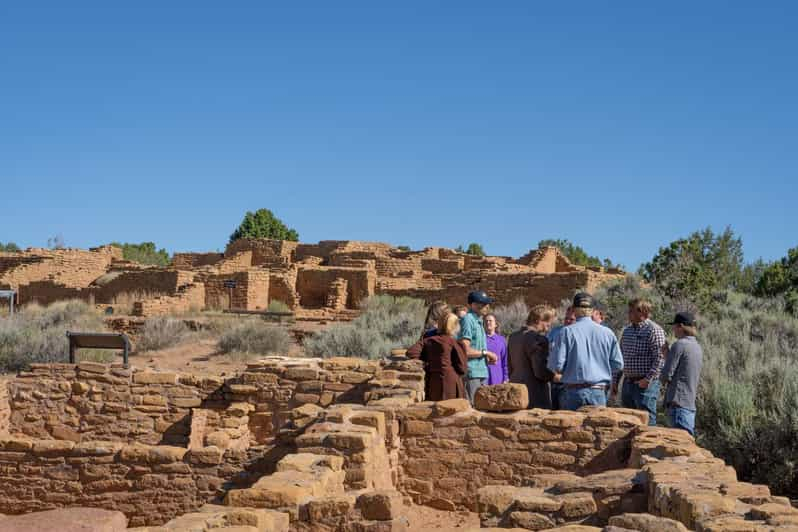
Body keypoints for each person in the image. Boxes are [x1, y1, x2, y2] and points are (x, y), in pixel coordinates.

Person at [549, 292, 623, 410]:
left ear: (574, 309)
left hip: (573, 392)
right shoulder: (607, 333)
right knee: (597, 427)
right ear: (593, 310)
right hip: (598, 392)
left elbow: (557, 365)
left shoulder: (566, 332)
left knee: (572, 428)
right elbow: (618, 365)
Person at [614, 298, 668, 426]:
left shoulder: (654, 330)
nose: (628, 314)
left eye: (631, 311)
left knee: (647, 420)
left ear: (642, 313)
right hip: (628, 383)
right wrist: (615, 381)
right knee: (627, 421)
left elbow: (660, 358)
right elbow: (621, 358)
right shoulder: (627, 331)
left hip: (645, 385)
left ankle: (648, 445)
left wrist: (648, 379)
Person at [406, 312, 469, 401]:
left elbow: (411, 352)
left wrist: (426, 363)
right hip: (451, 382)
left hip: (433, 380)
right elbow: (462, 368)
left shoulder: (428, 341)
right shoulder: (454, 343)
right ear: (455, 326)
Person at [661, 312, 703, 435]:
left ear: (680, 326)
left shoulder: (679, 345)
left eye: (674, 326)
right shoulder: (696, 346)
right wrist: (667, 356)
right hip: (689, 405)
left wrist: (667, 359)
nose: (673, 329)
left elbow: (666, 375)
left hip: (677, 405)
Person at [508, 304, 556, 408]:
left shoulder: (513, 337)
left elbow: (510, 367)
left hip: (516, 390)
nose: (548, 328)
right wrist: (555, 376)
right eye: (548, 324)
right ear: (539, 320)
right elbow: (540, 371)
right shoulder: (538, 339)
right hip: (535, 393)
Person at [457, 290, 498, 403]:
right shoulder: (468, 320)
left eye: (487, 304)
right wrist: (486, 353)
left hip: (481, 372)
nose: (487, 306)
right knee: (473, 409)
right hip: (472, 373)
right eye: (483, 304)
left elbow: (475, 348)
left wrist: (485, 358)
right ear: (473, 305)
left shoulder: (478, 321)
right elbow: (465, 350)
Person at [547, 305, 575, 409]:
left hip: (571, 383)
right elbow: (547, 350)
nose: (567, 321)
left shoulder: (579, 334)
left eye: (571, 319)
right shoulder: (555, 331)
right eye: (566, 318)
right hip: (555, 380)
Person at [484, 313, 508, 385]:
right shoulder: (480, 339)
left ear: (496, 324)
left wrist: (506, 377)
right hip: (484, 377)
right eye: (486, 321)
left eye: (490, 321)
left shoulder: (501, 340)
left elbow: (505, 360)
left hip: (498, 377)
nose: (488, 322)